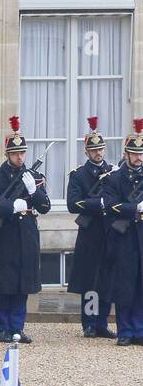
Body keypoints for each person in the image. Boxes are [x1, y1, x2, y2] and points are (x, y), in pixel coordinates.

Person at [0, 116, 50, 343]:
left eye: (22, 153)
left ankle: (18, 327)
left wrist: (33, 191)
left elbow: (44, 206)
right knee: (3, 283)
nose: (20, 157)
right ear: (7, 154)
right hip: (3, 235)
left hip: (26, 234)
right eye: (16, 153)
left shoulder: (33, 177)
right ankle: (4, 327)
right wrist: (10, 207)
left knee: (22, 284)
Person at [67, 116, 118, 339]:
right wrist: (96, 203)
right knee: (90, 280)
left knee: (106, 279)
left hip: (109, 231)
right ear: (86, 152)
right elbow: (73, 203)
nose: (98, 153)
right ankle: (88, 322)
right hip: (90, 232)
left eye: (101, 149)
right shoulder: (79, 175)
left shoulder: (114, 172)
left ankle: (102, 323)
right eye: (94, 150)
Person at [102, 119, 143, 346]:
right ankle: (125, 330)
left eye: (141, 154)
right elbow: (110, 206)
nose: (138, 157)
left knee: (141, 286)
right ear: (126, 154)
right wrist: (134, 208)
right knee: (125, 286)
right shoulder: (115, 178)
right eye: (134, 153)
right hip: (125, 238)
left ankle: (140, 329)